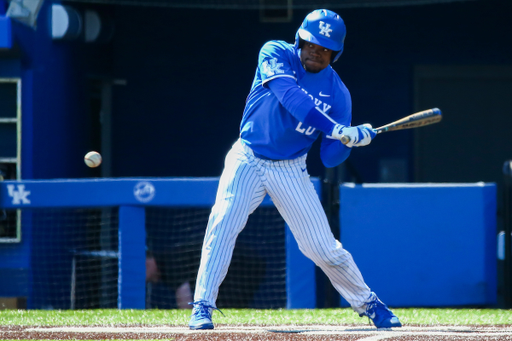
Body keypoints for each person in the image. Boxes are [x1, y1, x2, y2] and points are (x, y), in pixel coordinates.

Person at [189, 9, 401, 330]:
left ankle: (368, 302)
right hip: (247, 156)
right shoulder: (275, 53)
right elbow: (292, 99)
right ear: (299, 40)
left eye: (325, 48)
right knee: (223, 222)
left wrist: (350, 140)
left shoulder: (339, 94)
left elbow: (330, 157)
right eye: (311, 44)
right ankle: (203, 305)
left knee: (321, 246)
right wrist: (336, 129)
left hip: (290, 167)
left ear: (335, 53)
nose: (316, 51)